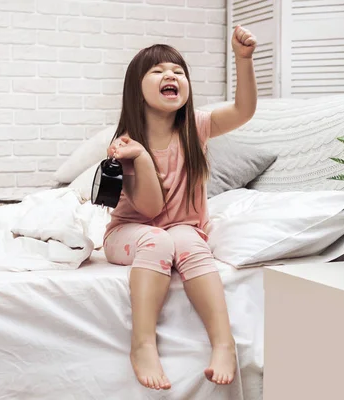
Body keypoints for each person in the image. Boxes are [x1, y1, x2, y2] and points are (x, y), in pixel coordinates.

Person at [103, 25, 258, 391]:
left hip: (181, 228)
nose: (170, 75)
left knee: (190, 243)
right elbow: (150, 206)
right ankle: (142, 345)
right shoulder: (125, 143)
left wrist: (244, 60)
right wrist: (139, 156)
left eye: (178, 71)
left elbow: (244, 111)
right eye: (157, 71)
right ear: (136, 90)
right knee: (158, 241)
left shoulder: (197, 126)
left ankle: (224, 344)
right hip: (129, 231)